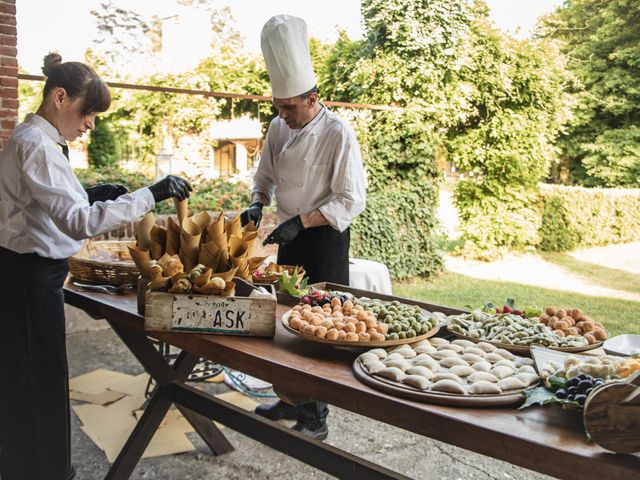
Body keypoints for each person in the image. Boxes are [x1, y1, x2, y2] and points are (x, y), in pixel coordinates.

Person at [0, 53, 192, 480]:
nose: (90, 124)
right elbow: (77, 222)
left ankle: (24, 468)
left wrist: (90, 192)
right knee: (41, 379)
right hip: (28, 278)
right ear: (59, 96)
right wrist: (151, 193)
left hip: (22, 273)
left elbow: (49, 204)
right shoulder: (36, 145)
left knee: (25, 379)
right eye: (87, 112)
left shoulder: (40, 141)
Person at [241, 15, 366, 440]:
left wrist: (302, 221)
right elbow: (265, 177)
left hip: (324, 239)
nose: (283, 115)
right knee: (285, 321)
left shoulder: (338, 133)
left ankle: (317, 415)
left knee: (320, 328)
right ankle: (289, 398)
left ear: (313, 98)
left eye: (290, 107)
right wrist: (256, 206)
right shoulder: (278, 128)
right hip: (290, 237)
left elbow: (350, 199)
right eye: (278, 107)